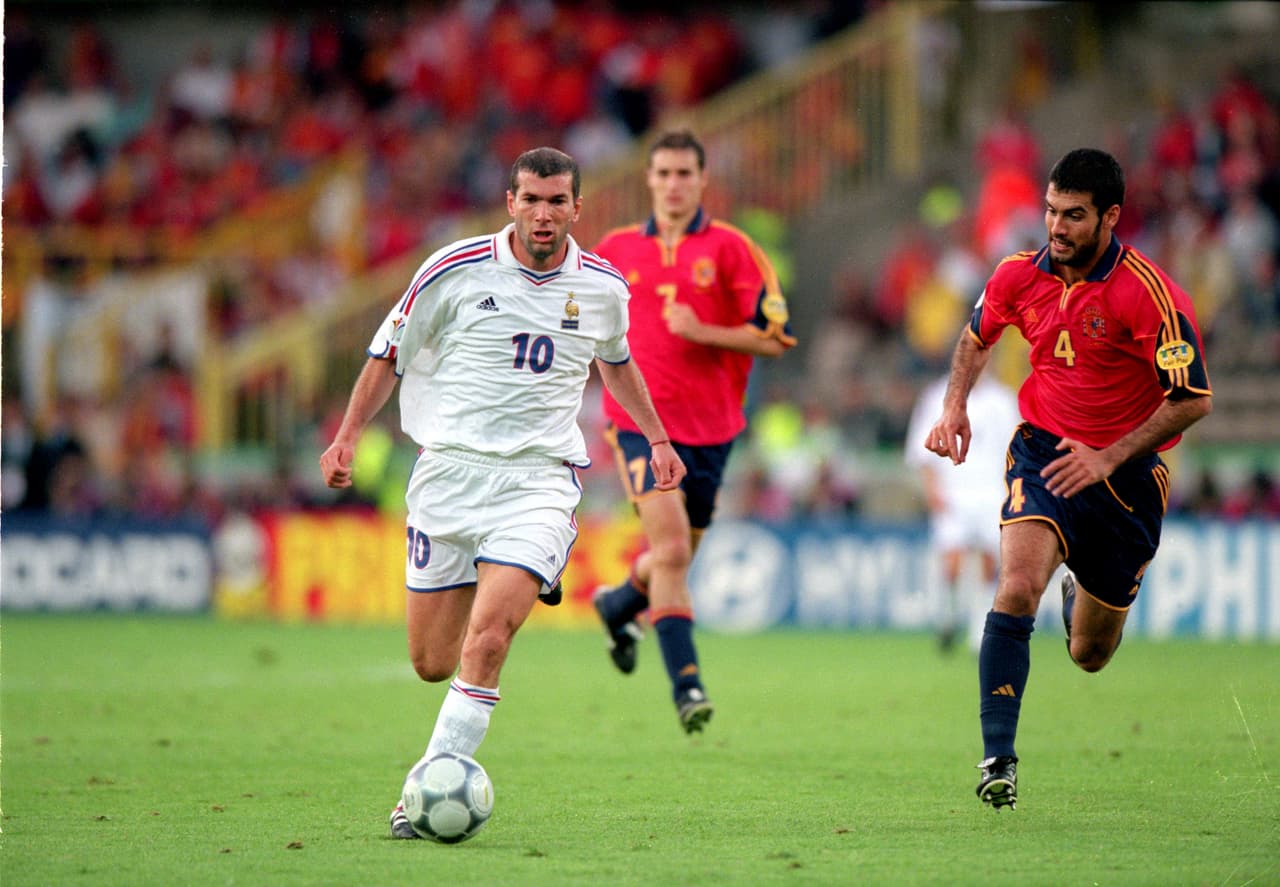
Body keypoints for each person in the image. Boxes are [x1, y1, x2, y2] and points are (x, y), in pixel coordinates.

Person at [319, 147, 686, 839]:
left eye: (557, 201)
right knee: (432, 662)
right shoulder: (453, 270)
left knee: (488, 641)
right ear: (510, 202)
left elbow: (617, 364)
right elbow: (387, 356)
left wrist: (659, 439)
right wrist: (346, 437)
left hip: (538, 481)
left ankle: (423, 789)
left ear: (577, 208)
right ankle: (441, 757)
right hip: (449, 475)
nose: (543, 214)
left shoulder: (604, 287)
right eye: (531, 199)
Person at [923, 148, 1212, 811]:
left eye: (1074, 216)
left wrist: (1110, 455)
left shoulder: (1150, 293)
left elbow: (1193, 396)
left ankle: (1079, 585)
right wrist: (953, 404)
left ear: (1110, 216)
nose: (1057, 227)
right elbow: (975, 336)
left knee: (1089, 652)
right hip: (1044, 452)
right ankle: (999, 755)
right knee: (1017, 584)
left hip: (1127, 477)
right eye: (1052, 211)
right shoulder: (1017, 276)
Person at [589, 130, 796, 733]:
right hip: (638, 427)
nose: (674, 184)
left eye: (685, 173)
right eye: (664, 173)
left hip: (711, 433)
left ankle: (619, 603)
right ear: (648, 180)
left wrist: (703, 330)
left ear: (703, 180)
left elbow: (774, 338)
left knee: (673, 557)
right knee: (675, 550)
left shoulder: (733, 249)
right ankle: (688, 687)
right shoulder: (615, 250)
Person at [905, 372, 1020, 653]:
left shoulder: (1003, 400)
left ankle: (978, 633)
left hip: (992, 493)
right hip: (953, 493)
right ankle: (948, 616)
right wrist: (933, 489)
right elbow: (921, 448)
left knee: (990, 564)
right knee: (952, 563)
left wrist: (1012, 490)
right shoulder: (936, 396)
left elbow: (1018, 449)